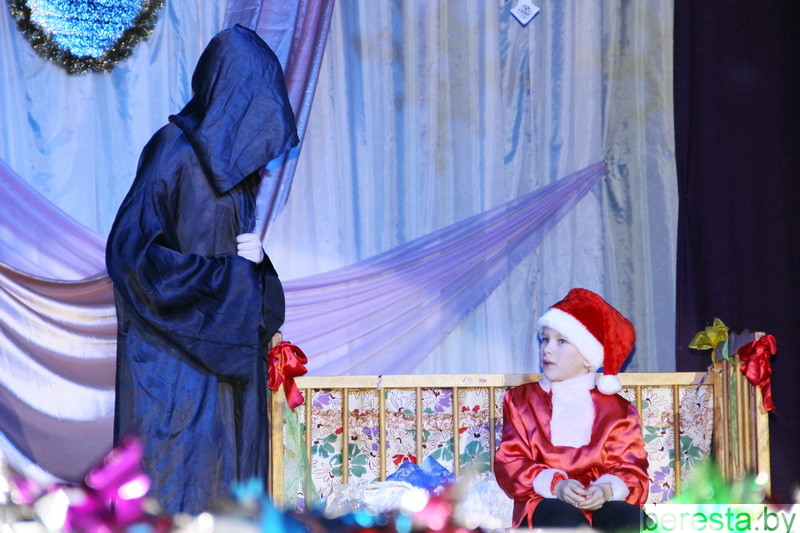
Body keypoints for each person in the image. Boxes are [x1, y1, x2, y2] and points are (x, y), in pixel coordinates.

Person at [105, 25, 298, 514]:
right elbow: (130, 254)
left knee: (228, 494)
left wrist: (257, 266)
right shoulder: (172, 149)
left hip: (227, 369)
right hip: (175, 373)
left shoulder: (237, 174)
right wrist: (231, 279)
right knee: (179, 492)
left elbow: (233, 261)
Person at [494, 288, 649, 531]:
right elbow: (511, 461)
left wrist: (605, 490)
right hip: (544, 500)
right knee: (565, 519)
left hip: (600, 501)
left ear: (588, 357)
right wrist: (556, 484)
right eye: (545, 339)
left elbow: (631, 470)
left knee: (633, 519)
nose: (547, 349)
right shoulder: (520, 401)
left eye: (561, 341)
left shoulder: (618, 410)